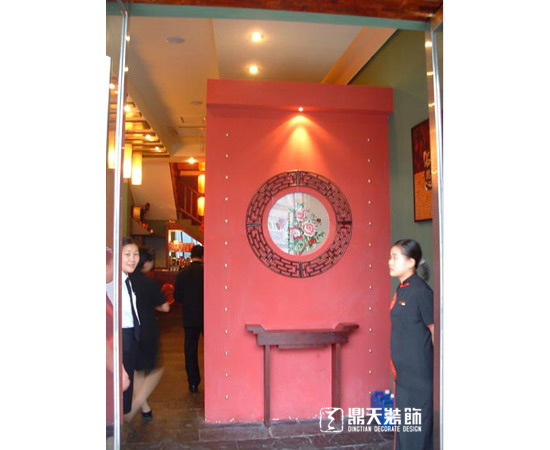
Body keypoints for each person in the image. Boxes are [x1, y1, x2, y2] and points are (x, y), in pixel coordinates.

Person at [388, 239, 434, 450]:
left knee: (417, 428)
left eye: (395, 257)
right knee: (406, 427)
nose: (390, 262)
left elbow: (435, 332)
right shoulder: (402, 288)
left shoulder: (421, 292)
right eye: (390, 257)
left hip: (419, 377)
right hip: (404, 375)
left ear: (411, 262)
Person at [126, 246, 170, 423]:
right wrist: (153, 305)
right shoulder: (149, 283)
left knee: (136, 370)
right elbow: (165, 307)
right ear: (146, 263)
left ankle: (145, 409)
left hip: (129, 330)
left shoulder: (125, 281)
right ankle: (136, 405)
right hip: (147, 329)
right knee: (154, 369)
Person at [174, 245, 204, 393]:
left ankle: (193, 382)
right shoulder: (207, 272)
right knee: (212, 348)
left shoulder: (182, 274)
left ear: (191, 255)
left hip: (189, 316)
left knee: (190, 350)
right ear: (203, 256)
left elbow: (177, 297)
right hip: (206, 316)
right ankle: (214, 379)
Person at [118, 237, 142, 415]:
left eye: (135, 254)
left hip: (130, 339)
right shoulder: (112, 283)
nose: (132, 259)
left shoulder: (127, 280)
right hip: (121, 339)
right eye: (127, 254)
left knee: (125, 396)